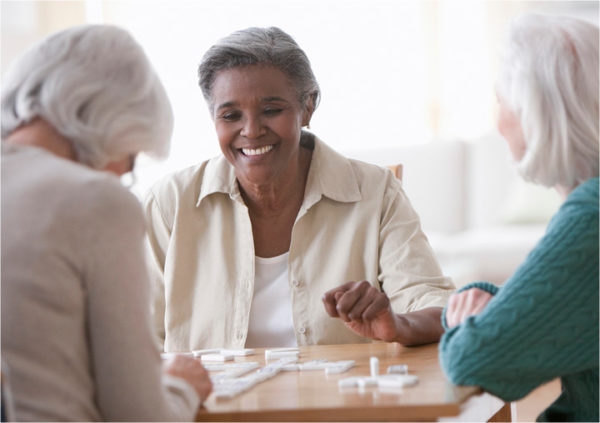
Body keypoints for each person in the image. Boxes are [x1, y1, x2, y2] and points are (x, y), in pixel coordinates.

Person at [144, 26, 454, 352]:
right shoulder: (169, 203)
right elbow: (135, 338)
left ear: (307, 107)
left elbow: (436, 305)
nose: (251, 130)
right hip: (212, 403)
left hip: (340, 400)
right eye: (231, 115)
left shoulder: (376, 193)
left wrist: (397, 323)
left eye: (271, 110)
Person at [1, 25, 212, 421]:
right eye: (131, 159)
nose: (121, 176)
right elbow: (137, 415)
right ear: (115, 122)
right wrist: (181, 385)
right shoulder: (94, 199)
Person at [439, 14, 598, 422]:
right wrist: (489, 304)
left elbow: (474, 361)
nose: (498, 121)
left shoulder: (591, 217)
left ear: (537, 112)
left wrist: (470, 317)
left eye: (500, 99)